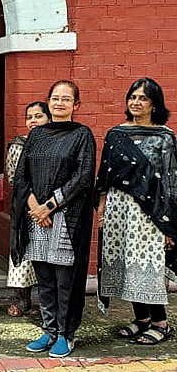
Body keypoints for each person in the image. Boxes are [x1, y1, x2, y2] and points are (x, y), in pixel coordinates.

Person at [11, 80, 96, 358]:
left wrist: (50, 205)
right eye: (55, 98)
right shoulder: (37, 135)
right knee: (44, 278)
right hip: (37, 218)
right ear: (48, 102)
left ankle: (65, 334)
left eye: (66, 99)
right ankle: (48, 330)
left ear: (76, 105)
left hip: (66, 219)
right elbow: (21, 175)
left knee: (65, 280)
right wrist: (35, 206)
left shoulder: (82, 135)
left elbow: (83, 178)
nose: (59, 103)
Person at [96, 78, 176, 345]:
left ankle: (161, 323)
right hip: (119, 208)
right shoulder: (116, 134)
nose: (136, 102)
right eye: (133, 97)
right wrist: (101, 211)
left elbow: (170, 181)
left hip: (151, 213)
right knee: (125, 262)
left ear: (154, 104)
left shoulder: (165, 137)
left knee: (147, 264)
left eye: (143, 98)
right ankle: (140, 319)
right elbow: (104, 176)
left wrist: (169, 225)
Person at [5, 102, 51, 317]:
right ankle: (21, 299)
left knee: (48, 257)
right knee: (24, 254)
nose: (33, 120)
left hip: (53, 209)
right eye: (29, 117)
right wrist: (34, 206)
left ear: (49, 119)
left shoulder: (58, 144)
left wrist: (48, 207)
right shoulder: (18, 146)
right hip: (27, 210)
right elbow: (15, 179)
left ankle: (48, 303)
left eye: (38, 116)